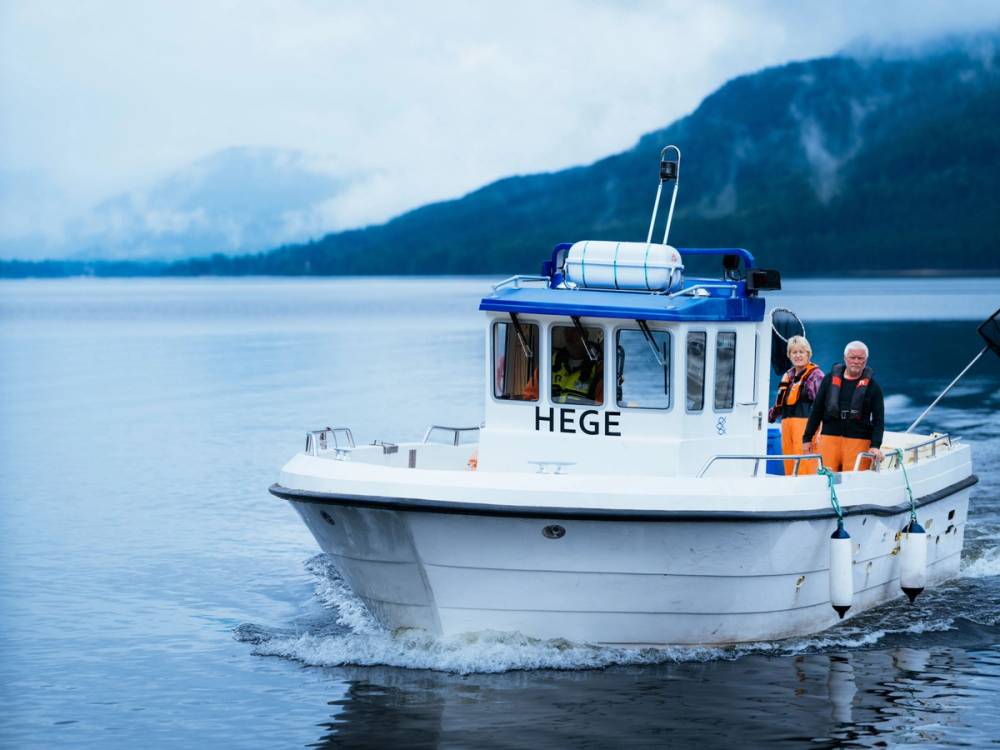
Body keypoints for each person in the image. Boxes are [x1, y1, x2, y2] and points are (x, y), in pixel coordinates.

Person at [803, 341, 885, 472]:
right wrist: (807, 438)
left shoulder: (874, 388)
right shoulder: (829, 380)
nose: (856, 361)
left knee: (855, 481)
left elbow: (878, 420)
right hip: (830, 438)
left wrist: (875, 445)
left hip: (858, 441)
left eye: (860, 358)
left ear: (866, 360)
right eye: (853, 358)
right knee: (825, 479)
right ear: (845, 358)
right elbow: (816, 410)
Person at [768, 335, 824, 475]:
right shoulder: (788, 376)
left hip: (807, 428)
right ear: (789, 355)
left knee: (805, 466)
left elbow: (824, 407)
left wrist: (819, 432)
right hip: (787, 427)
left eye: (801, 352)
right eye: (794, 352)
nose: (798, 355)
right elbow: (778, 406)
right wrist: (766, 417)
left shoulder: (816, 376)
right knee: (790, 464)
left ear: (808, 354)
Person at [551, 327, 604, 404]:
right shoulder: (549, 361)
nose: (569, 335)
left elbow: (601, 408)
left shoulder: (599, 369)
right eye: (567, 330)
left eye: (575, 330)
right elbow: (531, 396)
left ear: (586, 335)